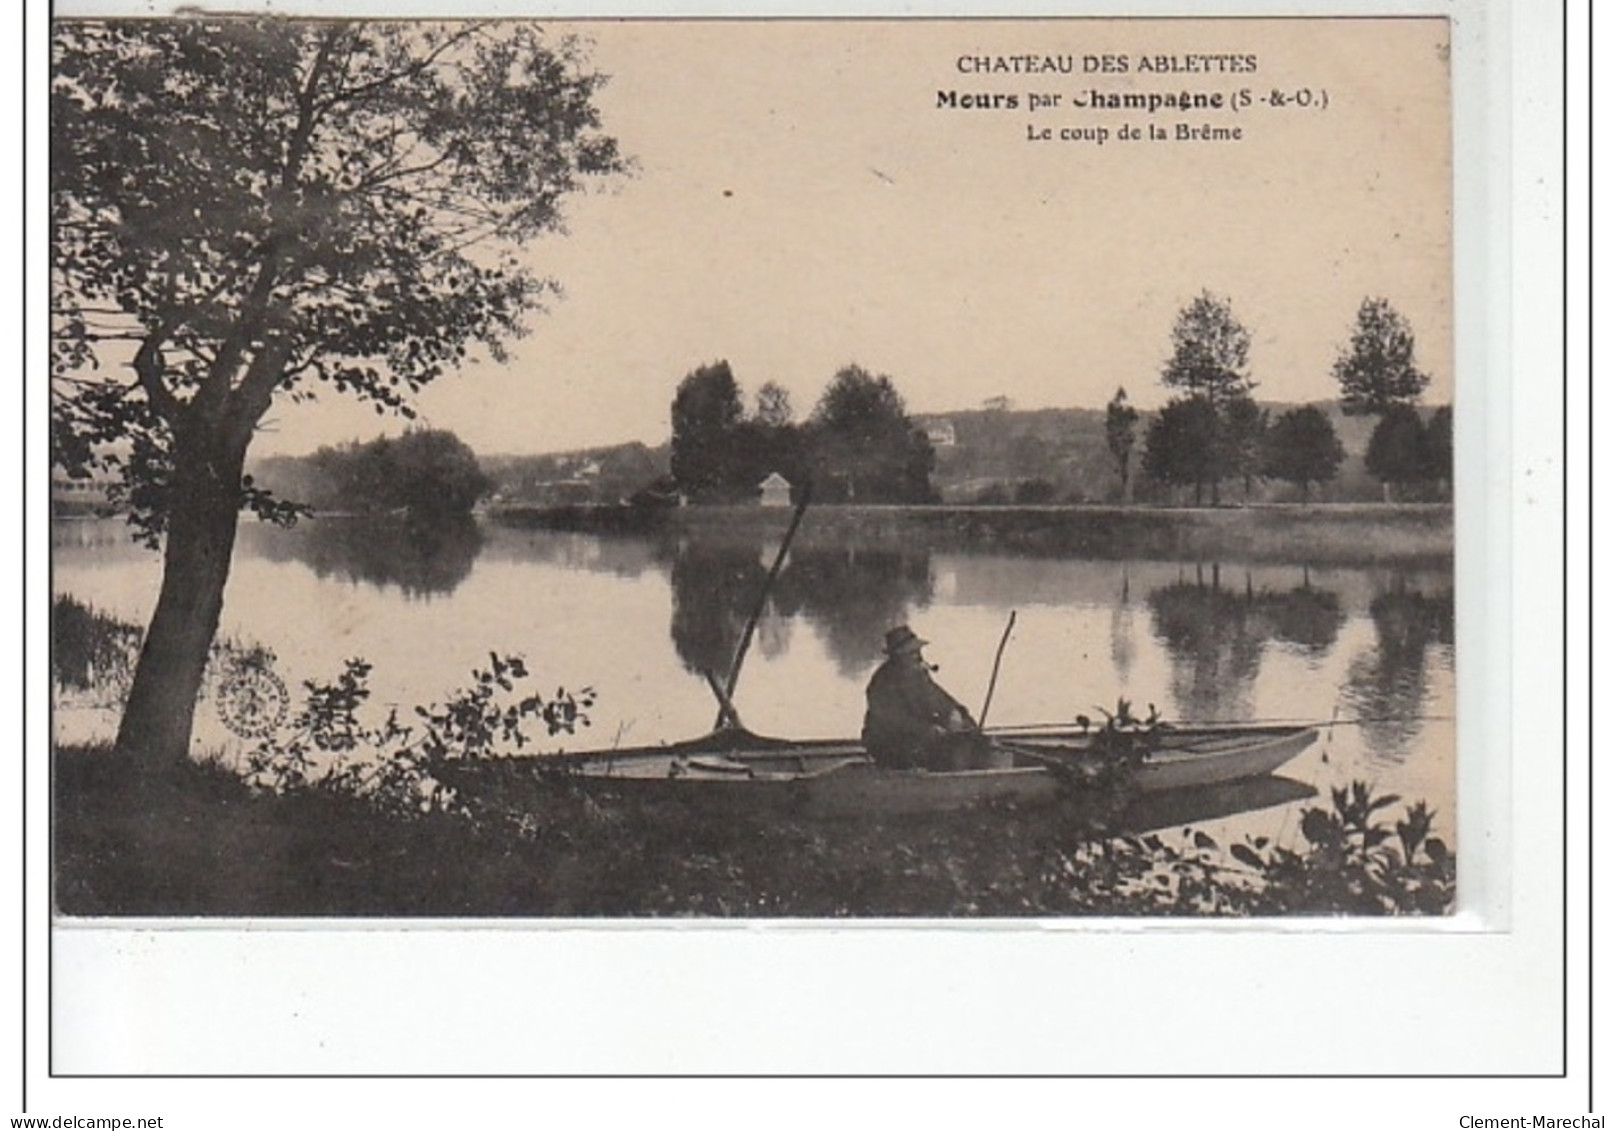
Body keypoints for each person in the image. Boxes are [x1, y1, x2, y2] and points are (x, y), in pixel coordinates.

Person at [861, 625, 983, 770]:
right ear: (897, 656)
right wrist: (927, 729)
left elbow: (938, 698)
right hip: (889, 741)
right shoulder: (882, 683)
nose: (918, 656)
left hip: (919, 735)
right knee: (936, 751)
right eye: (911, 652)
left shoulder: (918, 674)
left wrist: (955, 713)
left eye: (918, 651)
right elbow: (894, 720)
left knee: (968, 735)